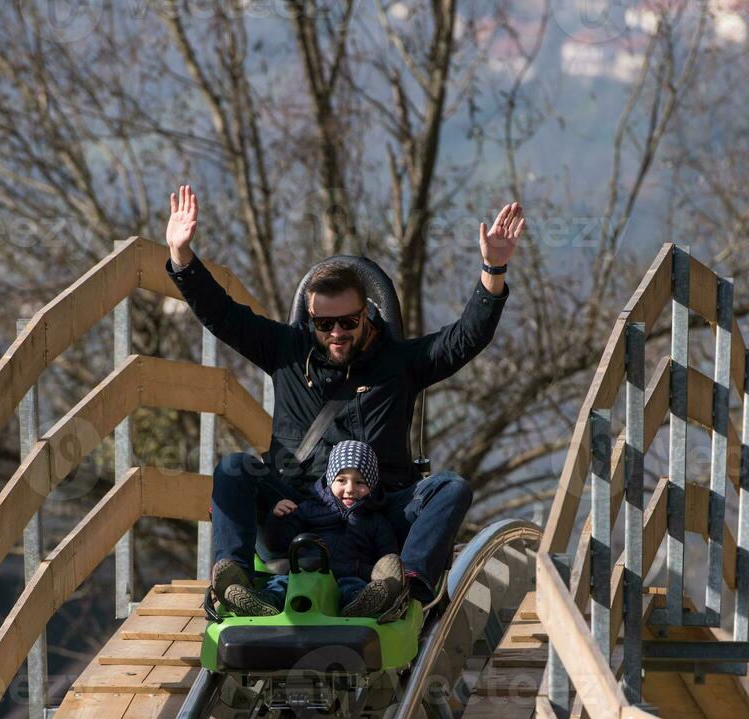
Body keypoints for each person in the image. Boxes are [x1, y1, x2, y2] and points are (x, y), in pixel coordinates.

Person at [161, 183, 526, 609]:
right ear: (310, 320)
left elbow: (465, 338)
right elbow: (221, 314)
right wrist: (181, 256)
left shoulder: (400, 362)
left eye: (349, 321)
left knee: (451, 487)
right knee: (233, 469)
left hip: (378, 510)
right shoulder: (285, 350)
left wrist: (493, 271)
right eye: (324, 324)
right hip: (296, 507)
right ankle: (233, 583)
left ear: (367, 315)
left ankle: (400, 585)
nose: (336, 333)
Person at [222, 440, 408, 621]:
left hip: (348, 575)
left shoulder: (376, 521)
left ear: (372, 486)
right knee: (280, 584)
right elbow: (278, 543)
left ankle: (358, 605)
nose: (350, 489)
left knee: (352, 588)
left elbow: (386, 559)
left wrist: (369, 572)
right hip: (304, 572)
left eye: (360, 482)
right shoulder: (309, 509)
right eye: (341, 480)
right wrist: (277, 518)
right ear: (330, 481)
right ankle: (263, 604)